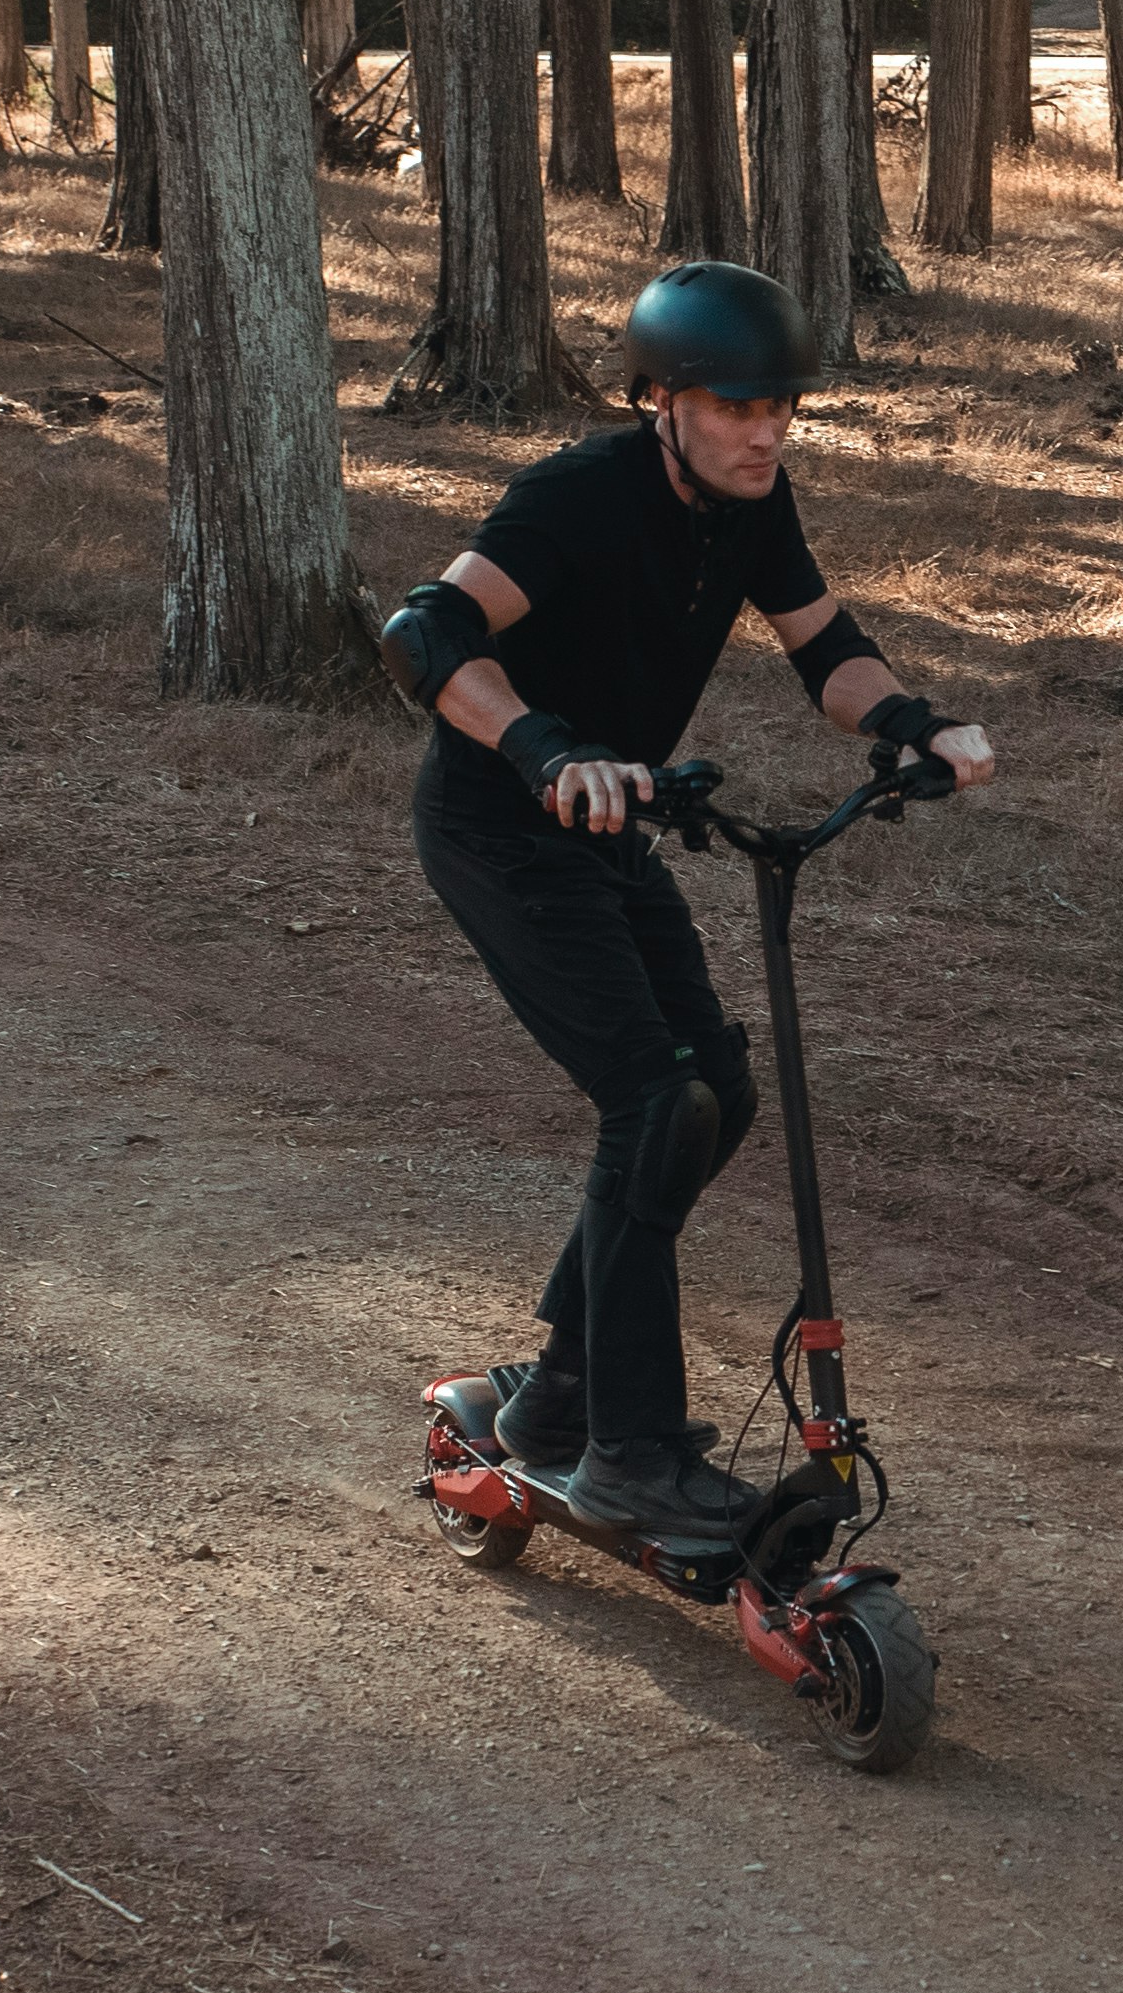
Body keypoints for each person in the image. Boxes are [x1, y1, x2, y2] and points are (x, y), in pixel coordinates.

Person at [377, 264, 997, 1543]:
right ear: (661, 399)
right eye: (732, 406)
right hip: (502, 823)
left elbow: (822, 646)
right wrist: (545, 749)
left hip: (614, 825)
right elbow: (424, 633)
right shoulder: (577, 496)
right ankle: (631, 1455)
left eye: (780, 404)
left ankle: (555, 1401)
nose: (763, 430)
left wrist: (906, 726)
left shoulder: (750, 504)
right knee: (655, 1102)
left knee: (715, 1090)